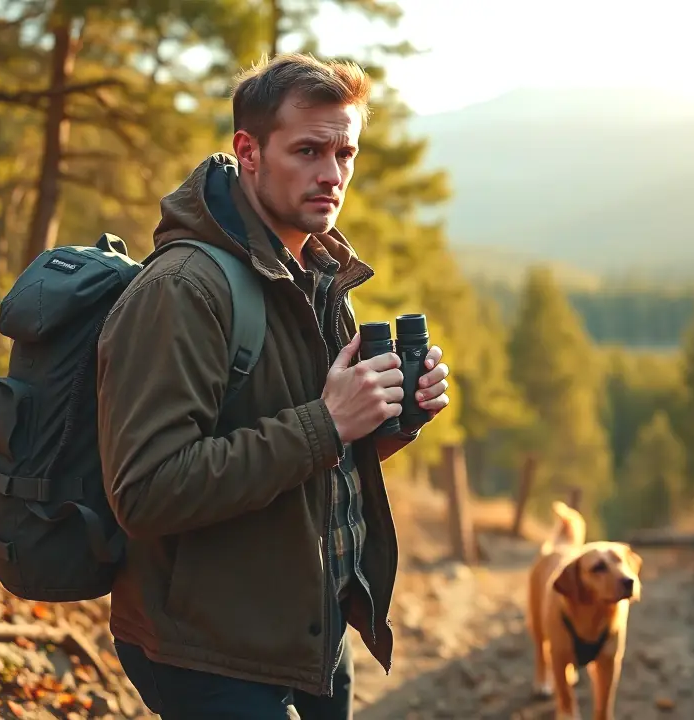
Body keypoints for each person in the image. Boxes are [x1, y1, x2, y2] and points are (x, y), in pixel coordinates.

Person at [95, 52, 451, 719]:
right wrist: (328, 422)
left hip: (309, 630)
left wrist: (389, 418)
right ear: (248, 151)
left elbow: (311, 458)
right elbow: (144, 490)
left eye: (345, 152)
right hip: (209, 650)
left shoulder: (314, 274)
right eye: (309, 150)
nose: (332, 174)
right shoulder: (182, 291)